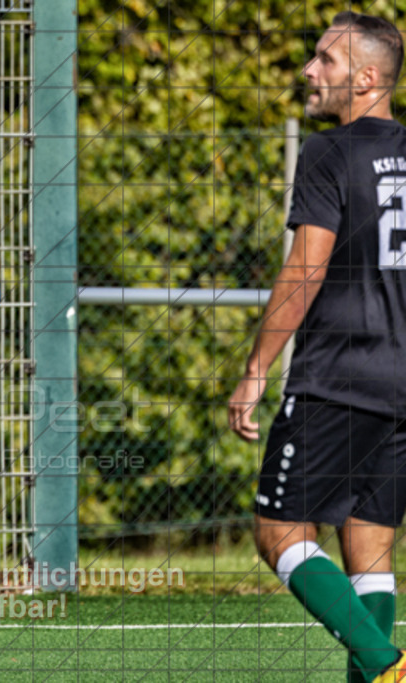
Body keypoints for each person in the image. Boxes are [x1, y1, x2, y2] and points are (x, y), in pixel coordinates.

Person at [228, 12, 406, 682]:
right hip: (399, 383)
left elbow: (305, 271)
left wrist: (255, 369)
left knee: (279, 531)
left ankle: (391, 665)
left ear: (365, 80)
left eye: (326, 61)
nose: (310, 70)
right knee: (368, 547)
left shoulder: (331, 153)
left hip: (337, 377)